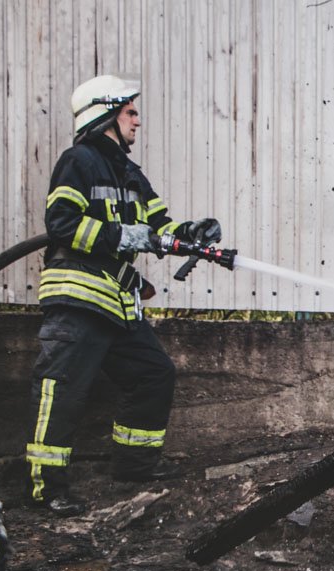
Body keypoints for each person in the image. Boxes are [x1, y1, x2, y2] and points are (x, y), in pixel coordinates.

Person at [26, 74, 222, 516]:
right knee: (63, 389)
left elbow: (159, 229)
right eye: (130, 112)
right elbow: (61, 222)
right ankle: (46, 488)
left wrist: (192, 234)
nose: (137, 121)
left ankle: (134, 466)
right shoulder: (78, 161)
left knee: (154, 373)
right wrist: (119, 236)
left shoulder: (130, 174)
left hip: (115, 301)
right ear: (106, 114)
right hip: (78, 295)